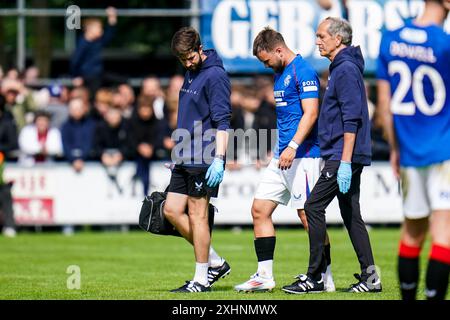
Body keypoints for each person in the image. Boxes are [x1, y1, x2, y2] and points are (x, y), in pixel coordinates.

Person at [283, 17, 381, 294]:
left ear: (338, 39)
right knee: (351, 215)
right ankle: (371, 278)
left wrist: (346, 161)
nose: (317, 41)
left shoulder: (346, 68)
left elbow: (352, 119)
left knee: (313, 207)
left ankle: (314, 277)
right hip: (342, 153)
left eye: (321, 36)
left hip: (343, 155)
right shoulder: (341, 67)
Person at [234, 27, 335, 293]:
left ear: (279, 50)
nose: (266, 66)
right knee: (259, 210)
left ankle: (324, 276)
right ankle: (264, 276)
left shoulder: (303, 71)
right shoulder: (280, 75)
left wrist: (292, 146)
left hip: (303, 156)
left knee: (307, 216)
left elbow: (311, 113)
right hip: (282, 156)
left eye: (267, 60)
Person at [377, 0, 450, 300]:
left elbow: (384, 107)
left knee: (412, 233)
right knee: (443, 234)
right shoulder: (444, 45)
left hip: (408, 151)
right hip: (444, 149)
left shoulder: (390, 39)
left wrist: (396, 149)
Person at [163, 27, 232, 293]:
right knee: (170, 210)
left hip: (204, 155)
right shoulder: (191, 72)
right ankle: (215, 262)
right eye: (182, 60)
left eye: (191, 57)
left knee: (197, 215)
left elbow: (222, 120)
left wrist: (220, 158)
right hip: (184, 154)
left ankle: (201, 279)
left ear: (200, 49)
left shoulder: (215, 75)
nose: (188, 63)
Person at [70, 7, 117, 99]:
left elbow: (109, 36)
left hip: (98, 74)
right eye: (99, 27)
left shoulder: (97, 42)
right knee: (93, 96)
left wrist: (112, 19)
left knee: (121, 80)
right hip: (88, 76)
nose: (101, 30)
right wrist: (76, 76)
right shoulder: (83, 44)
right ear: (90, 29)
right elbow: (75, 61)